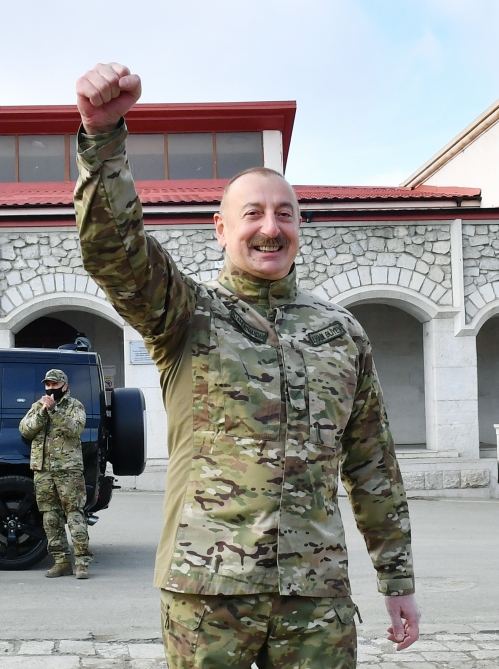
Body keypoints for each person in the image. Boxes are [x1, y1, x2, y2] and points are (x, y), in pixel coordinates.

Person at [74, 62, 420, 668]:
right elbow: (115, 254)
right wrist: (103, 136)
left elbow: (372, 467)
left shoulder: (341, 333)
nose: (270, 227)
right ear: (221, 229)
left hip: (315, 598)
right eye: (253, 214)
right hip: (209, 592)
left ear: (299, 227)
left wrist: (397, 581)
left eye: (284, 214)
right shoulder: (186, 314)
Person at [19, 368, 91, 579]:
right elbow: (25, 429)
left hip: (68, 470)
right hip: (43, 470)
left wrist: (54, 411)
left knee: (74, 513)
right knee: (50, 516)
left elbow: (75, 429)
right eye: (48, 385)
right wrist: (43, 411)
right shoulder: (37, 406)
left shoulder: (74, 406)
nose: (51, 388)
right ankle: (61, 562)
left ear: (65, 386)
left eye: (55, 385)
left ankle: (82, 563)